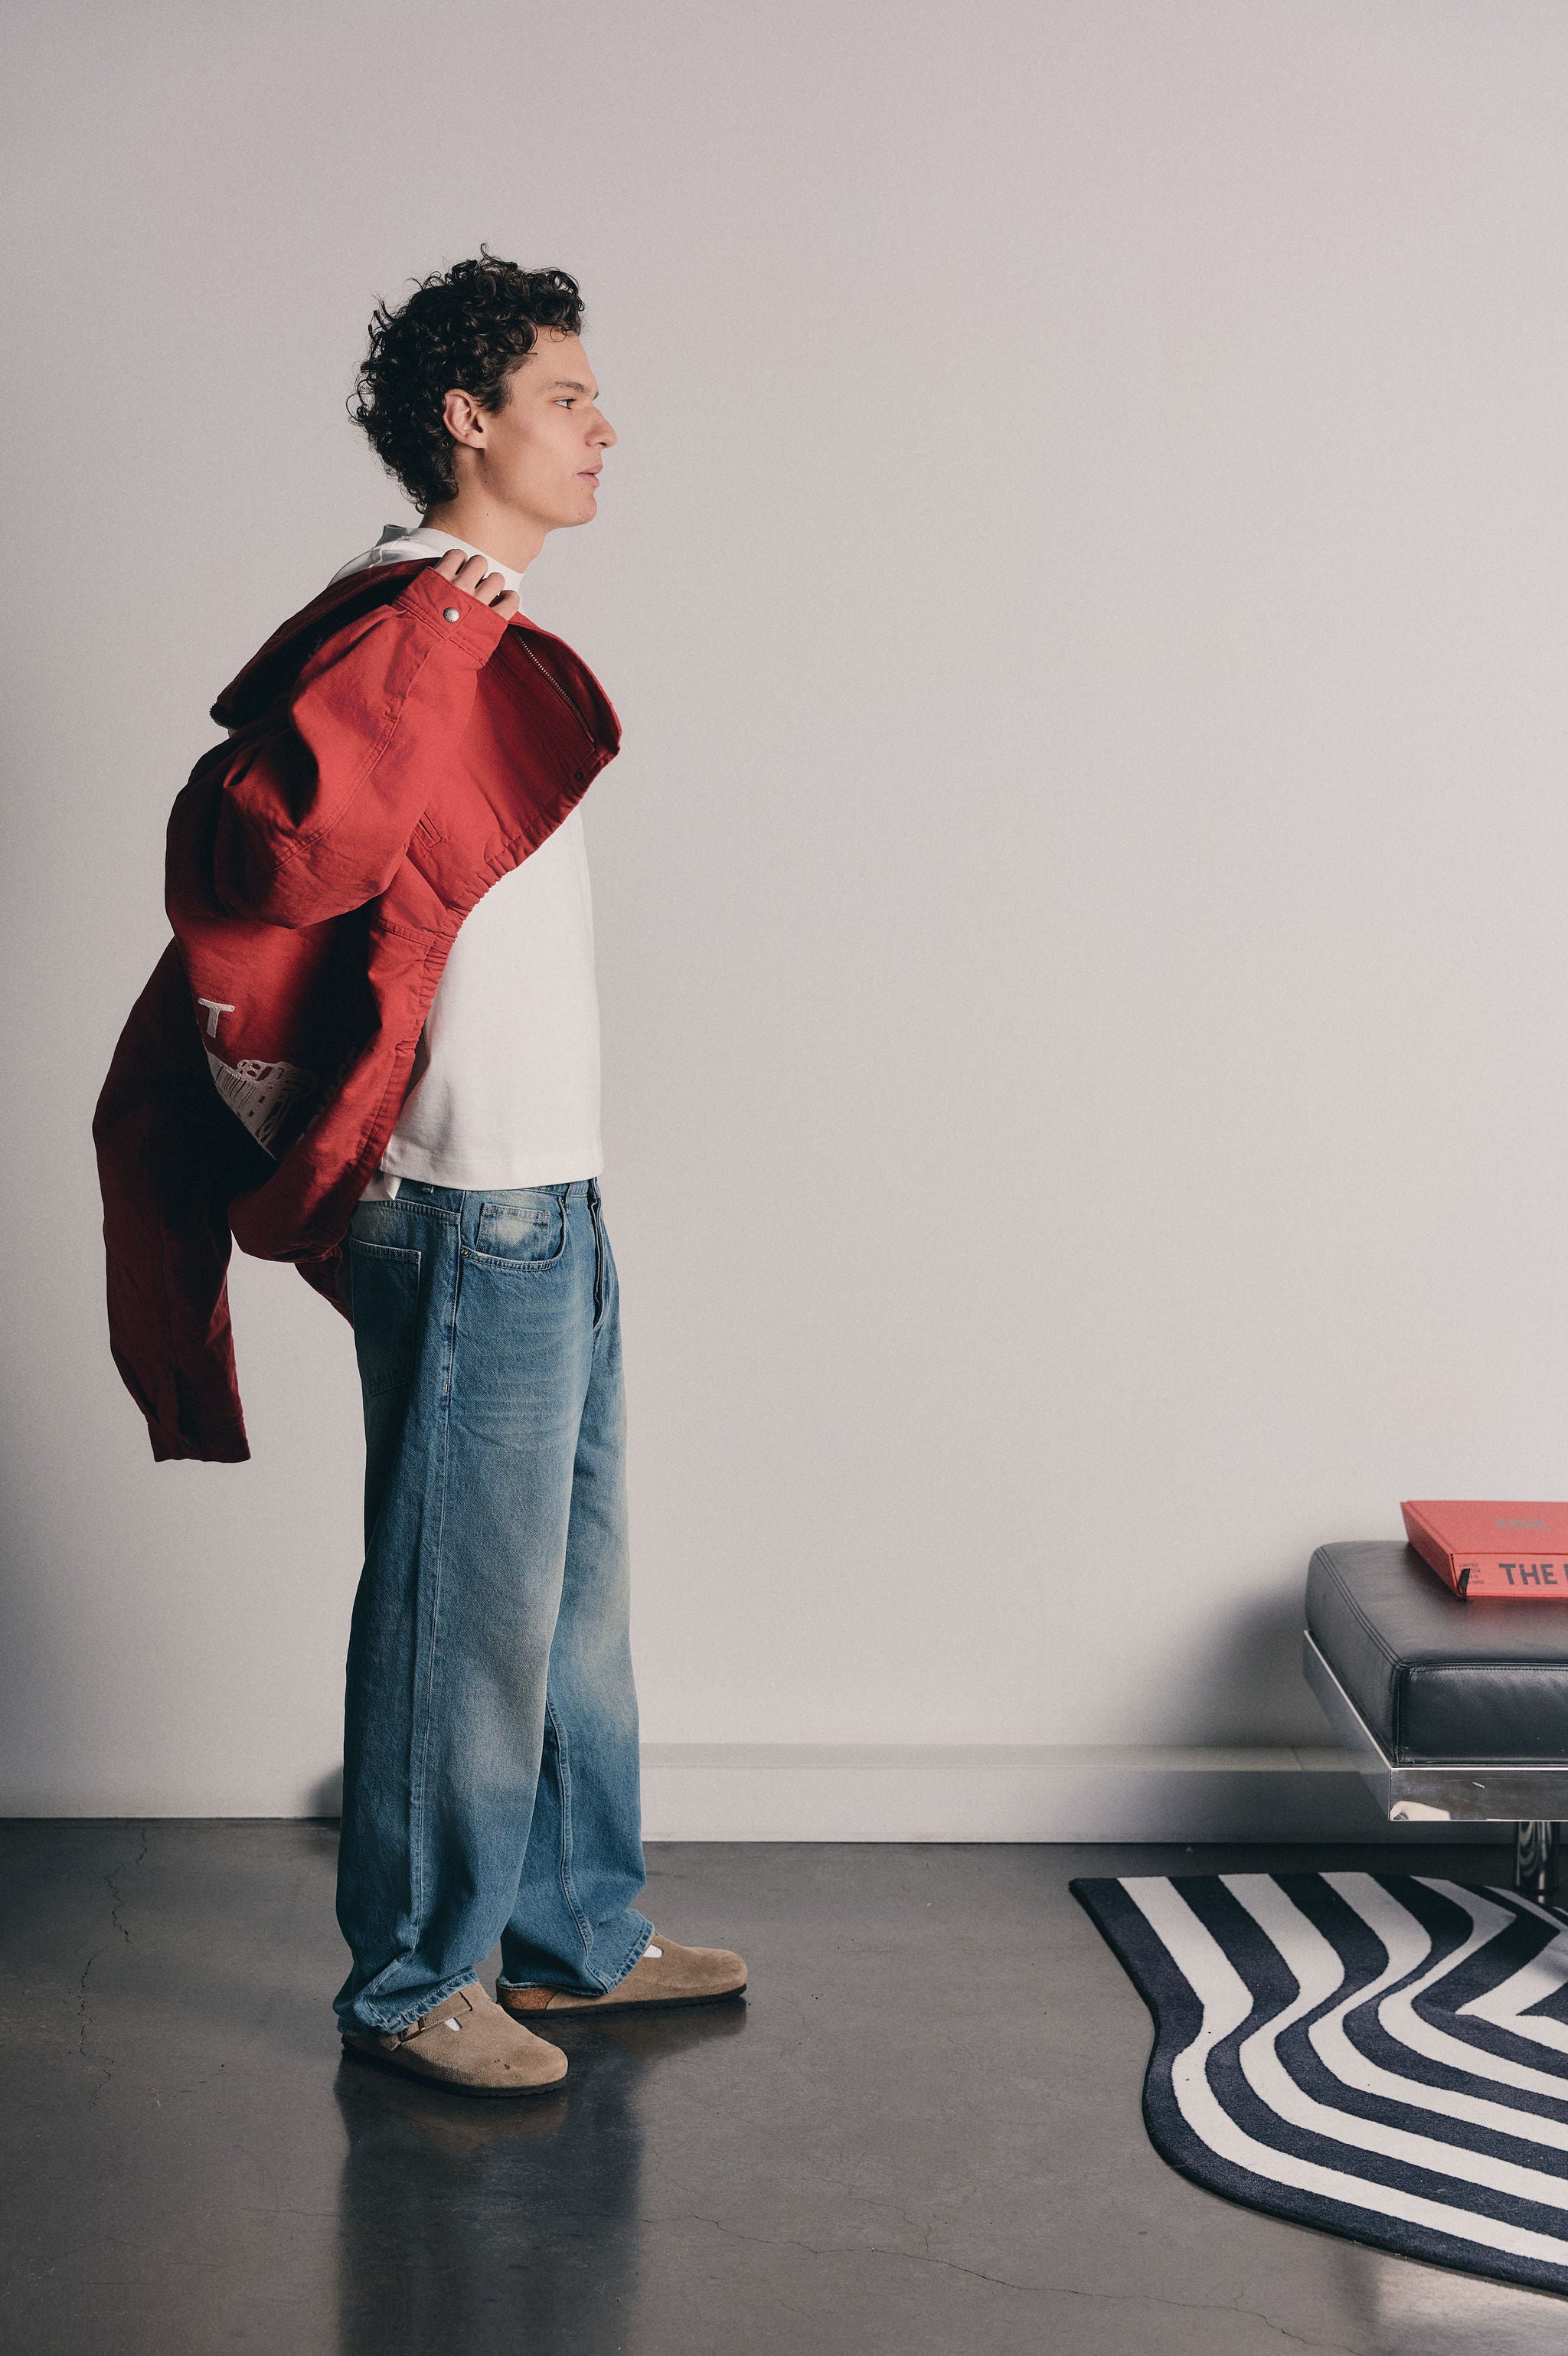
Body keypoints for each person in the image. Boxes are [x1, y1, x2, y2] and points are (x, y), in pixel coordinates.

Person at [93, 253, 746, 2097]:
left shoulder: (473, 622)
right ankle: (408, 1984)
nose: (603, 427)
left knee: (571, 1607)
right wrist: (444, 626)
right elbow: (293, 855)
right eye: (565, 396)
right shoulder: (407, 625)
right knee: (460, 1611)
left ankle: (572, 1936)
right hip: (463, 1201)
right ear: (469, 421)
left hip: (553, 1191)